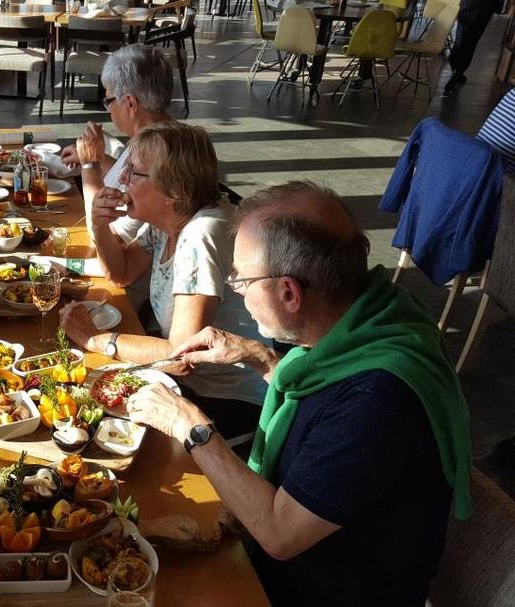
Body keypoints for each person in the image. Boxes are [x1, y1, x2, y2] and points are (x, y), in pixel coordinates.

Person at [125, 181, 472, 605]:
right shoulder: (374, 316)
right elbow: (326, 402)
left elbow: (278, 533)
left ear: (289, 292)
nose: (236, 288)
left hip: (309, 590)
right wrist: (264, 360)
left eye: (240, 279)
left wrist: (191, 426)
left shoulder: (379, 398)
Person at [59, 122, 267, 440]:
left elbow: (179, 357)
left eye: (134, 172)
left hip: (224, 404)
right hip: (182, 384)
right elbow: (122, 272)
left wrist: (94, 339)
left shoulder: (201, 233)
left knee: (78, 418)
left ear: (176, 191)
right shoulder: (168, 220)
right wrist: (99, 226)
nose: (122, 178)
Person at [58, 44, 176, 237]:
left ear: (130, 103)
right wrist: (97, 157)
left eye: (108, 101)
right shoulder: (160, 134)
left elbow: (108, 236)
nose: (108, 109)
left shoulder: (159, 153)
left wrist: (90, 166)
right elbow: (129, 178)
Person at [444, 0, 505, 94]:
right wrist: (498, 7)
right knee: (472, 40)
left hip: (468, 4)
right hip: (486, 6)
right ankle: (459, 70)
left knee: (460, 37)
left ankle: (455, 66)